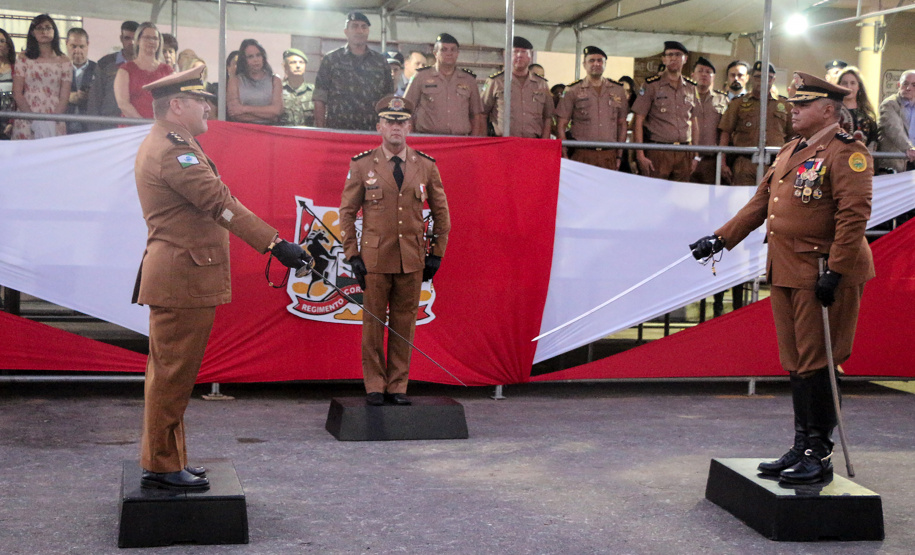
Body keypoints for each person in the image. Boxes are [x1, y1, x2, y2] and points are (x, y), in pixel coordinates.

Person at [690, 73, 874, 485]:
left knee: (818, 361)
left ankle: (818, 452)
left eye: (802, 105)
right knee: (795, 361)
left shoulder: (847, 151)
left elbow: (854, 215)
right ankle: (801, 444)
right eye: (794, 104)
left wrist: (838, 270)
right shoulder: (792, 149)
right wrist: (720, 239)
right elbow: (761, 204)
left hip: (823, 270)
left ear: (828, 110)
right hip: (787, 268)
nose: (793, 111)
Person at [133, 65, 309, 491]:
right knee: (172, 377)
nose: (208, 107)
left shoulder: (172, 142)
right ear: (177, 105)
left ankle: (167, 459)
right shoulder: (174, 150)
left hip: (181, 274)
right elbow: (218, 201)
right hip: (182, 277)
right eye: (200, 100)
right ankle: (162, 465)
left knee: (170, 375)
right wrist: (275, 244)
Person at [339, 95, 451, 406]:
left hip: (412, 259)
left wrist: (436, 252)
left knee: (404, 325)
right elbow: (346, 213)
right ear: (379, 127)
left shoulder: (425, 166)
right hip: (374, 260)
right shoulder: (362, 165)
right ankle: (375, 385)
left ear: (409, 127)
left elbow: (441, 212)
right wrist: (352, 255)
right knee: (373, 325)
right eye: (390, 122)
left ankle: (398, 386)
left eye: (401, 122)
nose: (396, 127)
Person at [631, 40, 699, 181]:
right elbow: (638, 120)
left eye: (678, 55)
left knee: (680, 193)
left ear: (685, 59)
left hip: (684, 151)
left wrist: (696, 154)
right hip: (659, 151)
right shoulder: (652, 85)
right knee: (655, 192)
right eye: (669, 55)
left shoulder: (691, 87)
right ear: (663, 59)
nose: (673, 58)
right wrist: (640, 155)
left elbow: (694, 121)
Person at [313, 12, 393, 130]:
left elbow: (388, 99)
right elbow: (320, 98)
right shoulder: (331, 59)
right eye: (354, 26)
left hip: (371, 131)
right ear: (346, 31)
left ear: (368, 31)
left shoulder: (380, 62)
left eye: (364, 27)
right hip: (338, 130)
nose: (360, 31)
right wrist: (321, 131)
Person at [718, 61, 792, 186]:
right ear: (751, 78)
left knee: (772, 198)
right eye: (758, 77)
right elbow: (725, 132)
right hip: (745, 164)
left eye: (768, 78)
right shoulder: (738, 103)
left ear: (773, 79)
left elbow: (792, 136)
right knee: (743, 197)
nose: (763, 81)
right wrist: (722, 163)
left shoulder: (785, 105)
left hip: (775, 164)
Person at [555, 45, 628, 169]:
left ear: (605, 64)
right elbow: (561, 124)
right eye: (591, 60)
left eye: (600, 60)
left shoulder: (618, 90)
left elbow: (622, 124)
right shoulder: (572, 90)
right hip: (582, 154)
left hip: (609, 154)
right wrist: (564, 154)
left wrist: (619, 155)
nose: (596, 64)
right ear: (584, 64)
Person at [403, 33, 485, 136]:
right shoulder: (421, 77)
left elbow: (476, 115)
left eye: (453, 50)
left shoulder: (469, 80)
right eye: (444, 49)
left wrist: (473, 141)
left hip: (460, 140)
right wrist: (411, 137)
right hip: (429, 139)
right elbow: (406, 110)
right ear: (435, 53)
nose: (449, 53)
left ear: (457, 53)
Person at [11, 14, 71, 140]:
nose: (44, 31)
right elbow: (17, 93)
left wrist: (52, 120)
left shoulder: (64, 61)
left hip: (54, 116)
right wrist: (32, 119)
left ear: (54, 31)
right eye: (39, 28)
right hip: (27, 115)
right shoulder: (23, 58)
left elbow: (64, 97)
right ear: (33, 33)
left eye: (48, 27)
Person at [481, 36, 552, 139]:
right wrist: (485, 142)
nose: (519, 55)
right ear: (506, 55)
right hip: (503, 142)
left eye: (524, 52)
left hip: (532, 143)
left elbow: (548, 117)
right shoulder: (495, 82)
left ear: (530, 56)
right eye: (515, 51)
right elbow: (482, 114)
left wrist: (544, 143)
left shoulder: (542, 84)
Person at [113, 22, 172, 120]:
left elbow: (174, 101)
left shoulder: (168, 71)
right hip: (134, 126)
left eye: (155, 38)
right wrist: (143, 124)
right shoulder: (125, 70)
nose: (151, 41)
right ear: (137, 41)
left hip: (161, 125)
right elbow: (123, 104)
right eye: (147, 38)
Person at [86, 20, 138, 130]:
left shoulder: (146, 65)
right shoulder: (105, 63)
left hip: (137, 126)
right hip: (109, 126)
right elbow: (94, 100)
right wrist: (94, 130)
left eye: (135, 38)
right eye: (127, 38)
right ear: (121, 39)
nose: (132, 42)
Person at [689, 57, 728, 184]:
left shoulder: (723, 99)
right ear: (692, 75)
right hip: (687, 157)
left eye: (708, 72)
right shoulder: (685, 96)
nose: (704, 74)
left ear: (713, 77)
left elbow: (726, 130)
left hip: (711, 160)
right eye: (700, 71)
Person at [226, 39, 282, 125]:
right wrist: (267, 114)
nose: (256, 60)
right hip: (243, 128)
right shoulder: (235, 81)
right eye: (250, 57)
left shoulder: (275, 80)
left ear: (263, 57)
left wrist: (244, 109)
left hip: (269, 128)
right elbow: (234, 113)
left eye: (258, 55)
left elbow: (276, 111)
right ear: (244, 60)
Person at [876, 70, 915, 174]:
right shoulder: (889, 104)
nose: (908, 88)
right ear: (898, 85)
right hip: (894, 165)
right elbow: (894, 129)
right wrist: (909, 149)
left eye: (914, 85)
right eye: (905, 84)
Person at [65, 28, 96, 135]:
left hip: (89, 130)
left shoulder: (98, 70)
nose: (77, 51)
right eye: (73, 46)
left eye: (81, 47)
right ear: (66, 44)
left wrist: (90, 97)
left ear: (88, 45)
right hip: (63, 128)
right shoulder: (59, 69)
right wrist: (68, 97)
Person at [836, 67, 877, 150]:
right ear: (839, 86)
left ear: (859, 86)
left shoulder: (867, 114)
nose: (848, 86)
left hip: (863, 156)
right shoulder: (832, 111)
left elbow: (873, 141)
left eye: (853, 83)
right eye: (844, 83)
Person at [280, 48, 314, 126]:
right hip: (284, 133)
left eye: (301, 62)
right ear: (285, 67)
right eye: (293, 62)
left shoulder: (313, 92)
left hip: (307, 133)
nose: (298, 66)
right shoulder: (277, 90)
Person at [0, 28, 16, 140]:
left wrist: (12, 122)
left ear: (9, 46)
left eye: (2, 41)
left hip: (9, 122)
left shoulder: (16, 69)